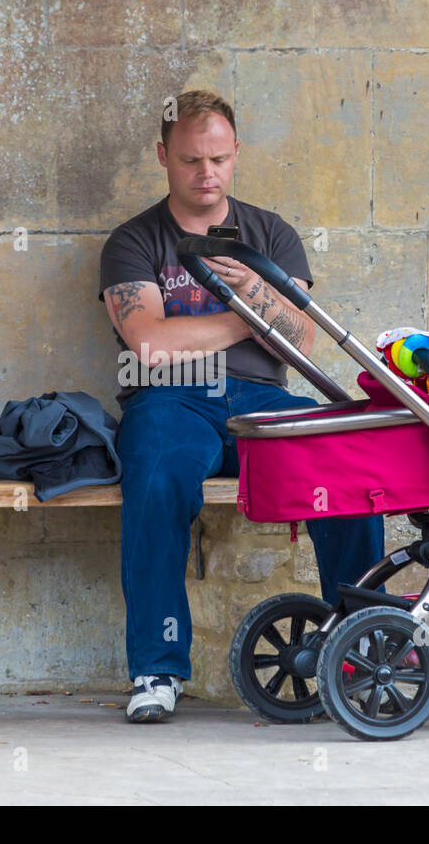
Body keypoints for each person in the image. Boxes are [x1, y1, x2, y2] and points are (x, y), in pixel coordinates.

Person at [97, 89, 385, 722]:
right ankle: (157, 668)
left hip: (261, 397)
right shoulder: (135, 240)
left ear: (236, 156)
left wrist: (257, 287)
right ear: (163, 156)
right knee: (155, 474)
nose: (207, 174)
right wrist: (248, 315)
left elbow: (303, 340)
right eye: (192, 160)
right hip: (169, 400)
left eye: (220, 160)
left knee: (346, 463)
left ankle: (363, 646)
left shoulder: (268, 234)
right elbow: (150, 344)